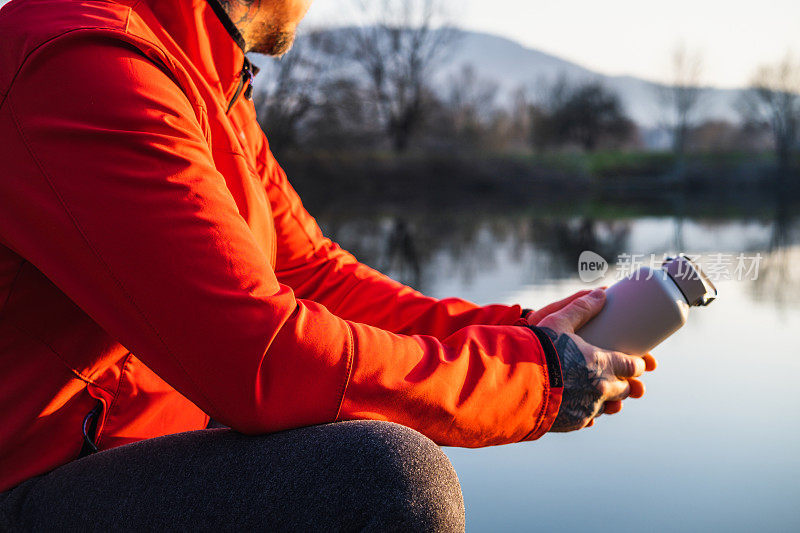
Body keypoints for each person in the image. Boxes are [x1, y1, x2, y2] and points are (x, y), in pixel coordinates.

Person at [0, 0, 656, 530]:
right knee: (385, 478)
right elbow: (260, 357)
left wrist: (527, 332)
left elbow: (314, 275)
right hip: (29, 480)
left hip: (126, 456)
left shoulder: (202, 77)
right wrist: (529, 377)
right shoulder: (85, 63)